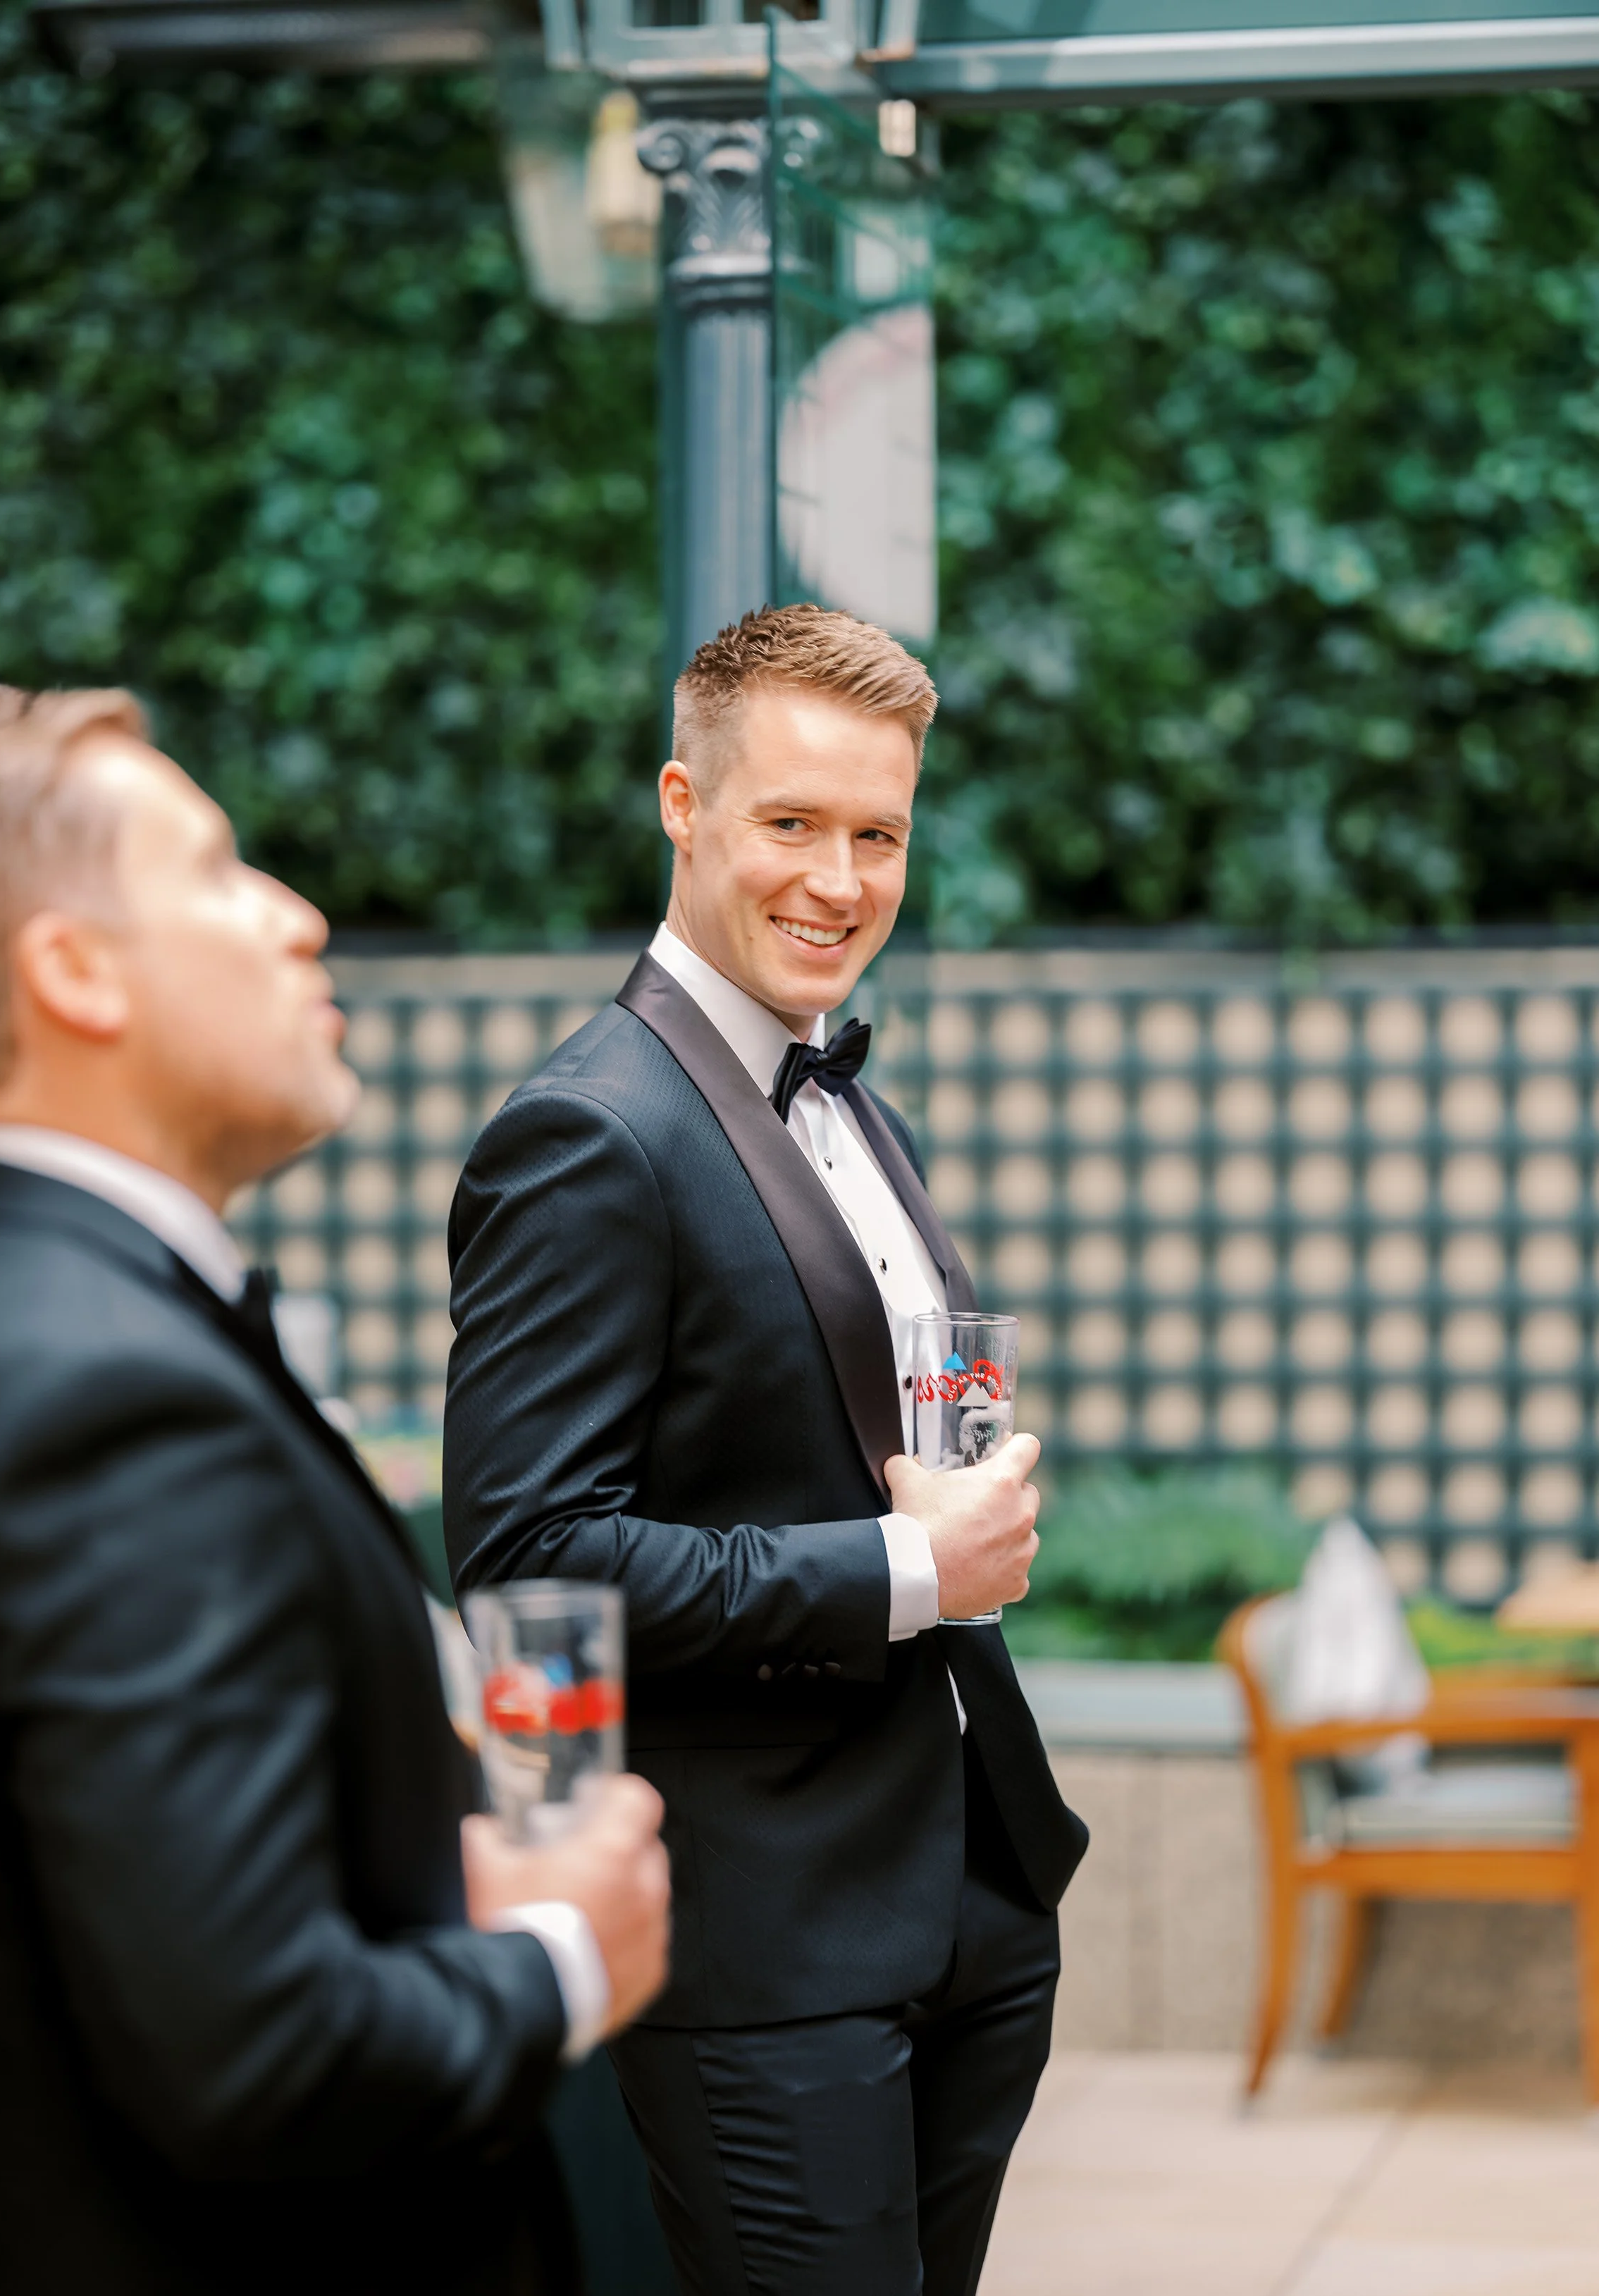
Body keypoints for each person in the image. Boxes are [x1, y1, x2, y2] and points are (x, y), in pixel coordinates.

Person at [0, 675, 671, 2296]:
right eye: (220, 870)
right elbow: (251, 2055)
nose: (300, 920)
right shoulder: (105, 1403)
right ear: (72, 971)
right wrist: (563, 1956)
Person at [443, 605, 1088, 2296]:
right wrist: (905, 1567)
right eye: (790, 823)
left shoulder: (859, 1100)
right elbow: (526, 1564)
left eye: (878, 834)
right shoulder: (586, 1133)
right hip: (764, 1936)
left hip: (967, 1891)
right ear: (683, 803)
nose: (841, 880)